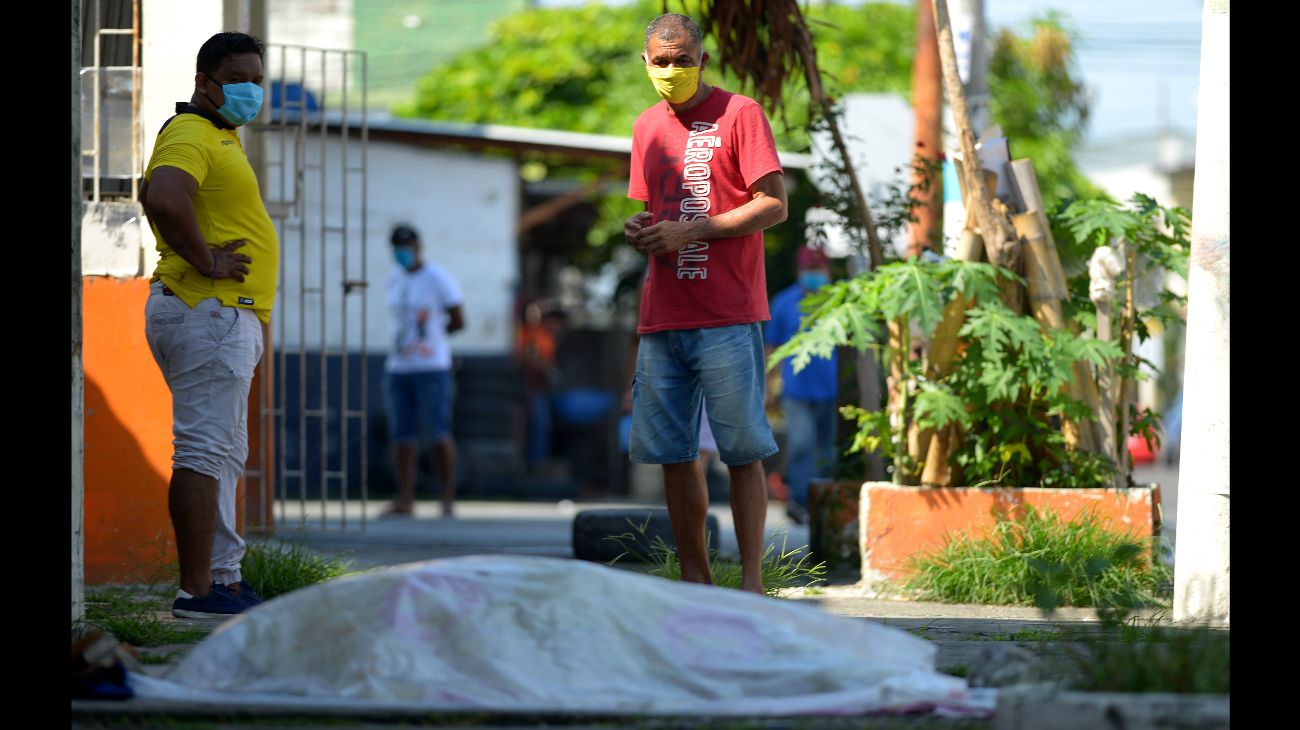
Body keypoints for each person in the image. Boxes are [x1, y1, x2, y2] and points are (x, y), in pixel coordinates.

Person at [624, 12, 788, 594]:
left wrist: (691, 232)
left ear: (703, 61)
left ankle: (750, 583)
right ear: (646, 63)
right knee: (674, 453)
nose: (672, 71)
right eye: (661, 62)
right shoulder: (646, 127)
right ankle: (695, 582)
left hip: (728, 312)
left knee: (742, 451)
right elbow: (650, 208)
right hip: (664, 313)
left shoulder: (740, 114)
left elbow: (774, 205)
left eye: (683, 60)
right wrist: (641, 228)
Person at [139, 32, 275, 618]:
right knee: (201, 450)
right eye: (239, 78)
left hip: (220, 315)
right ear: (204, 82)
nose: (252, 91)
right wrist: (208, 260)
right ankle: (197, 591)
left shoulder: (222, 137)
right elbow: (163, 197)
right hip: (206, 309)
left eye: (257, 80)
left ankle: (222, 580)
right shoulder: (191, 132)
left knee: (221, 453)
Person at [384, 224, 465, 518]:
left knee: (438, 431)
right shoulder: (393, 279)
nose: (402, 252)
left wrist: (433, 341)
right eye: (397, 246)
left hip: (432, 367)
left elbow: (459, 320)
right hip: (398, 366)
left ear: (418, 246)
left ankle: (446, 497)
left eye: (406, 246)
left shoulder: (438, 278)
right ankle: (405, 498)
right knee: (401, 434)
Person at [765, 246, 840, 525]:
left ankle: (821, 504)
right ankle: (799, 499)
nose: (814, 276)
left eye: (819, 270)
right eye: (810, 270)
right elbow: (771, 348)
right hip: (795, 391)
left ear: (828, 272)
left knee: (827, 451)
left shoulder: (838, 302)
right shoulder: (784, 302)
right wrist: (769, 387)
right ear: (799, 271)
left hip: (832, 392)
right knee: (802, 444)